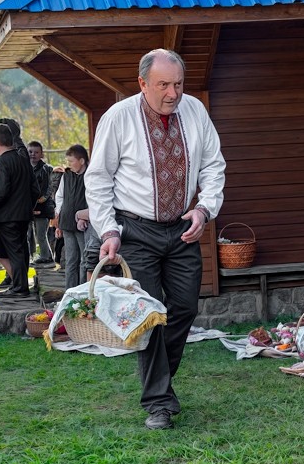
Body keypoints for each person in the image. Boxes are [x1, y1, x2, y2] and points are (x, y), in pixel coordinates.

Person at [87, 49, 226, 430]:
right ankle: (159, 402)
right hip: (136, 231)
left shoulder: (195, 111)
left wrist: (204, 210)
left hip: (182, 228)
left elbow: (214, 166)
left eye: (178, 84)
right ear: (142, 83)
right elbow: (98, 179)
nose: (172, 92)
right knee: (150, 316)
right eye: (163, 84)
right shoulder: (119, 117)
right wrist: (109, 230)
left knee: (183, 309)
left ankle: (161, 386)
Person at [0, 123, 36, 299]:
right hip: (23, 213)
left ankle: (20, 287)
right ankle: (19, 283)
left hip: (6, 215)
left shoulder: (1, 162)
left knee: (13, 252)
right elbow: (35, 189)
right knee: (20, 250)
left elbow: (1, 191)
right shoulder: (23, 159)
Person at [53, 144, 91, 288]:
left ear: (81, 161)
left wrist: (86, 215)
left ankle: (82, 291)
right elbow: (60, 196)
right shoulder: (66, 175)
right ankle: (69, 292)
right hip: (67, 222)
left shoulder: (90, 175)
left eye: (71, 161)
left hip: (84, 225)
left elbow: (93, 198)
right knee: (71, 260)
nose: (68, 164)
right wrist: (59, 216)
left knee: (84, 260)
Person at [26, 141, 56, 267]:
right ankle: (33, 256)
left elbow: (50, 187)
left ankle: (47, 257)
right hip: (29, 205)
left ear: (41, 154)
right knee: (29, 235)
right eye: (30, 152)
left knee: (41, 234)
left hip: (42, 206)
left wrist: (43, 198)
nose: (33, 155)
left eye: (36, 152)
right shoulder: (25, 168)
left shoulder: (46, 169)